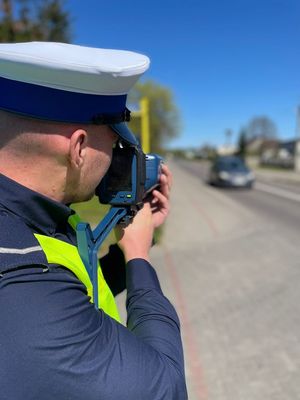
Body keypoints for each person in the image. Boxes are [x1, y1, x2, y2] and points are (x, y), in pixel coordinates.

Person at [0, 42, 187, 399]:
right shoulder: (16, 277)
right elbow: (166, 386)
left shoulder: (32, 222)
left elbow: (73, 283)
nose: (119, 158)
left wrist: (125, 252)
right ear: (79, 148)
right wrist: (138, 257)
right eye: (116, 143)